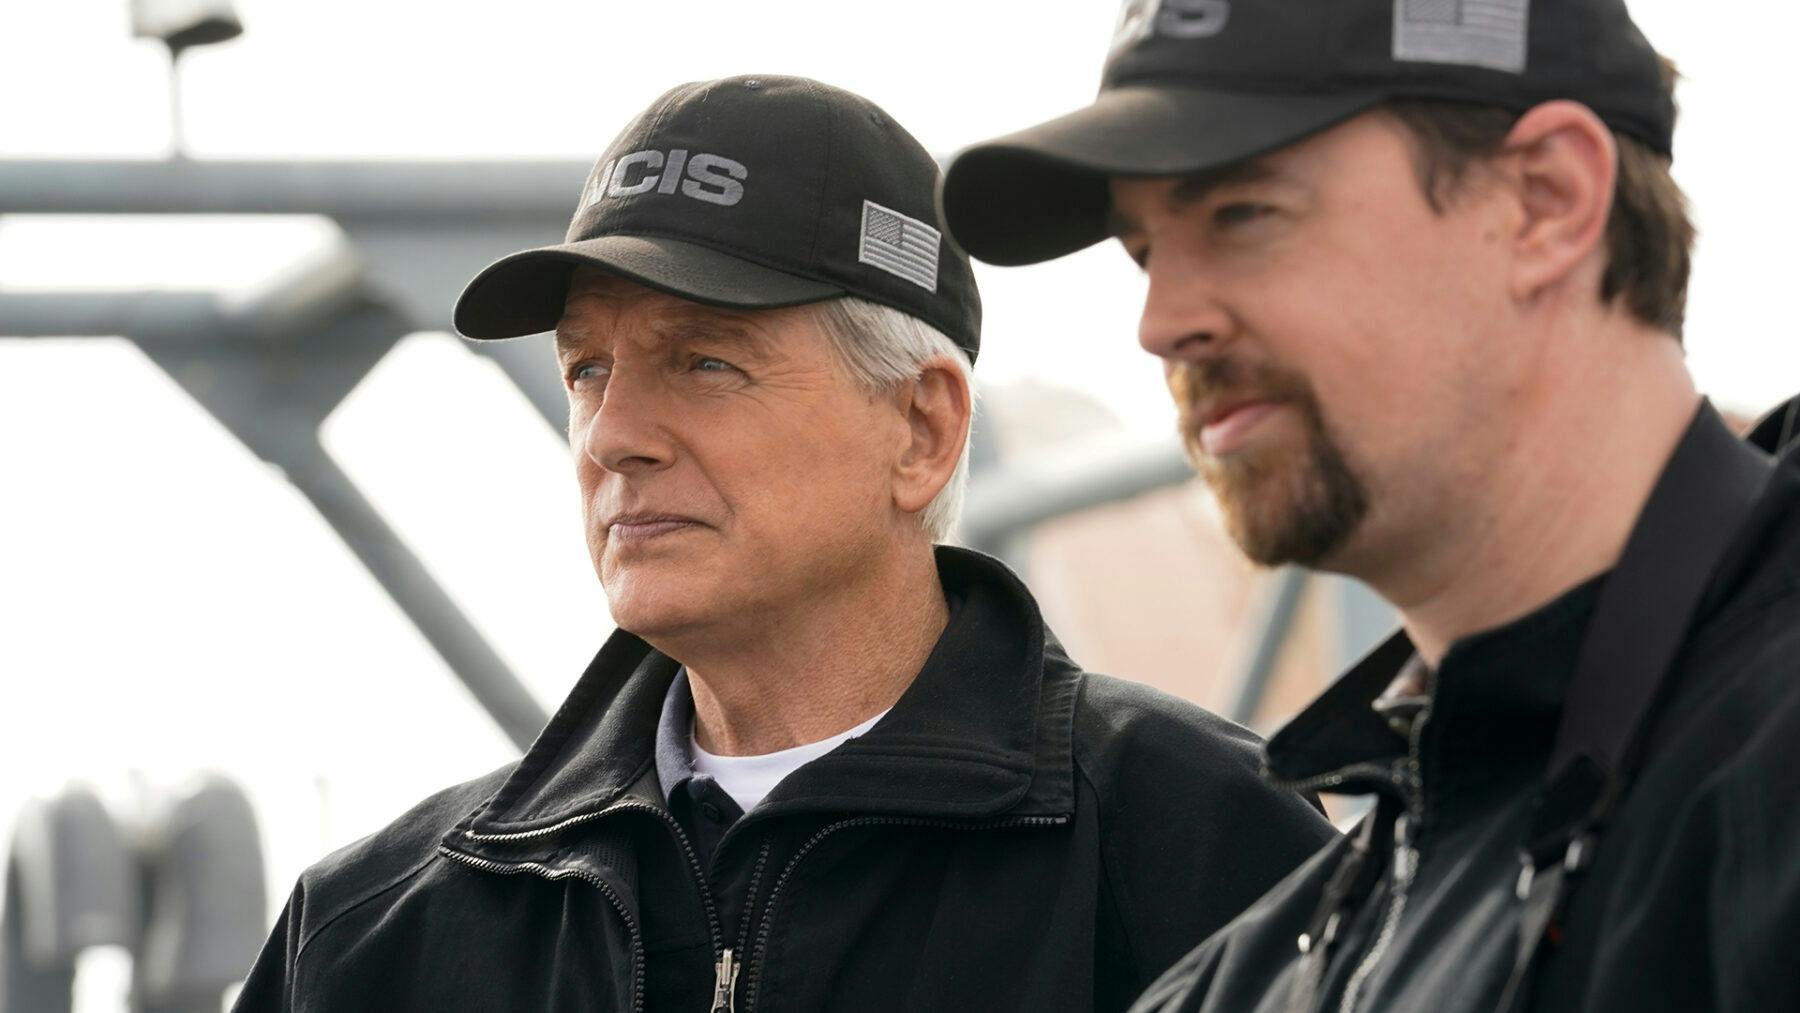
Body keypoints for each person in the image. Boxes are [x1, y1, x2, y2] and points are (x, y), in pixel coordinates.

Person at [232, 75, 1334, 1012]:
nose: (613, 435)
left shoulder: (1203, 849)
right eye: (587, 369)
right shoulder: (370, 937)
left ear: (922, 429)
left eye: (705, 361)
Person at [940, 1, 1800, 1011]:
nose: (1160, 322)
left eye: (1241, 214)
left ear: (1546, 199)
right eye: (1144, 252)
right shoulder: (1261, 967)